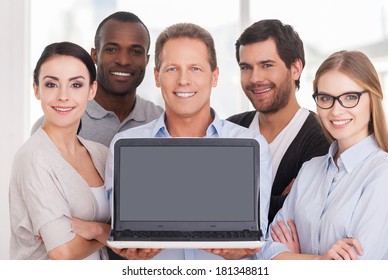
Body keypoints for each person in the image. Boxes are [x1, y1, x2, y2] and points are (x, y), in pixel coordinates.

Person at [104, 22, 273, 260]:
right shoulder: (127, 144)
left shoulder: (251, 145)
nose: (183, 80)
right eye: (172, 69)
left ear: (214, 76)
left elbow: (258, 235)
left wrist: (244, 248)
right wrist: (129, 250)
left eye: (195, 68)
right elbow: (123, 229)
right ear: (156, 76)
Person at [260, 50, 388, 260]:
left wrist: (293, 258)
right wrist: (319, 261)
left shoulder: (384, 174)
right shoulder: (310, 169)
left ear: (373, 99)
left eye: (350, 97)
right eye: (325, 98)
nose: (336, 110)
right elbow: (266, 253)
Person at [9, 42, 112, 259]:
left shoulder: (102, 154)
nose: (63, 96)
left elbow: (128, 227)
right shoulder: (33, 158)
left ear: (91, 90)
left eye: (76, 85)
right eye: (51, 85)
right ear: (37, 90)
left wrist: (96, 230)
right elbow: (62, 252)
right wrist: (106, 232)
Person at [227, 19, 329, 223]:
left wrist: (237, 201)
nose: (255, 78)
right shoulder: (229, 130)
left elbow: (300, 220)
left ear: (295, 68)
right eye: (246, 67)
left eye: (266, 65)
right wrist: (279, 201)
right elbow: (209, 207)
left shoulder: (321, 139)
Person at [31, 11, 163, 147]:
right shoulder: (55, 123)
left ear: (147, 60)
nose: (123, 61)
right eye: (111, 50)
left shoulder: (161, 120)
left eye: (136, 52)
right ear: (94, 55)